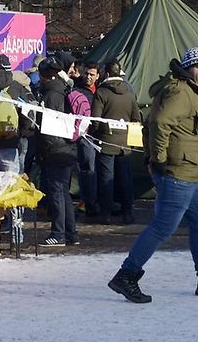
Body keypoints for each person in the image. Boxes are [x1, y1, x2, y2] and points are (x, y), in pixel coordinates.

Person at [108, 47, 198, 303]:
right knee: (163, 227)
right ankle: (127, 275)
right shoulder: (180, 91)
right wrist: (157, 158)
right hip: (177, 172)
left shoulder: (190, 92)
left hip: (190, 174)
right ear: (188, 68)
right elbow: (159, 123)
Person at [35, 56, 81, 248]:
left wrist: (44, 149)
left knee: (56, 193)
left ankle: (58, 233)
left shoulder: (51, 94)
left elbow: (48, 125)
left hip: (55, 149)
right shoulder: (63, 89)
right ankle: (71, 233)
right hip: (67, 147)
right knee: (64, 192)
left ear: (44, 75)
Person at [92, 60, 140, 224]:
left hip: (106, 141)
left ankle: (106, 214)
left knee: (106, 179)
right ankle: (128, 212)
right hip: (125, 143)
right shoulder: (130, 92)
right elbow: (136, 118)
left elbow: (96, 120)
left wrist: (95, 132)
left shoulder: (101, 93)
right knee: (125, 178)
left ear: (105, 72)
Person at [69, 61, 101, 218]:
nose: (88, 77)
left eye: (92, 74)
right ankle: (88, 201)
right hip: (84, 135)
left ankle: (92, 200)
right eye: (87, 73)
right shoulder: (78, 90)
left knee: (93, 170)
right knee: (86, 168)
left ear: (97, 76)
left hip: (98, 134)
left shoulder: (101, 90)